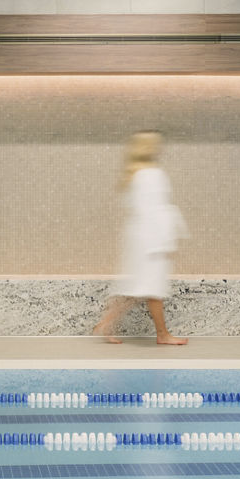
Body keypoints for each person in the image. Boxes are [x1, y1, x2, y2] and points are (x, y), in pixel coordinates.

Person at [93, 130, 188, 346]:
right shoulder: (152, 175)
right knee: (152, 287)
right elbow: (157, 210)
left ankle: (106, 323)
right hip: (152, 239)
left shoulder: (133, 175)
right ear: (150, 148)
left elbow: (142, 209)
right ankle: (162, 335)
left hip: (139, 237)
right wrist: (166, 241)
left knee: (138, 286)